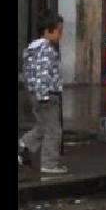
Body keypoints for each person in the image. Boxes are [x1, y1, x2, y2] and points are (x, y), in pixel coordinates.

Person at [18, 10, 67, 175]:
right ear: (47, 31)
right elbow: (43, 74)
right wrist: (45, 95)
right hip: (47, 96)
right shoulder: (46, 50)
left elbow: (28, 73)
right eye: (58, 31)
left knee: (42, 126)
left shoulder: (31, 50)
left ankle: (23, 145)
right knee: (53, 130)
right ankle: (49, 164)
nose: (61, 34)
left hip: (35, 94)